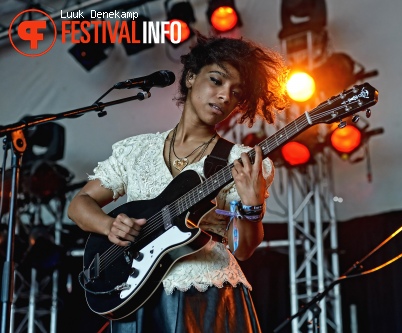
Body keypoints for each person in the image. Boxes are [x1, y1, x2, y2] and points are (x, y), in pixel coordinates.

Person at [67, 33, 289, 333]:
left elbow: (243, 249)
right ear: (190, 78)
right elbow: (79, 205)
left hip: (206, 292)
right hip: (136, 295)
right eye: (216, 80)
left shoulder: (241, 161)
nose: (225, 96)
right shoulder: (136, 150)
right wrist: (109, 226)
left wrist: (253, 207)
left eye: (236, 93)